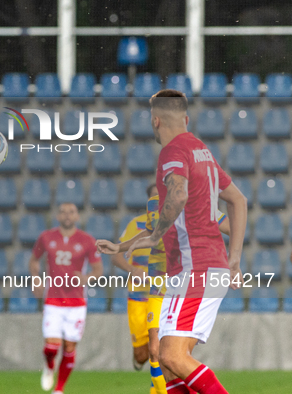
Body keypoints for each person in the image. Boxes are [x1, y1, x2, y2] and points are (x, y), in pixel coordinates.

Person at [121, 89, 247, 394]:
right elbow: (238, 200)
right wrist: (234, 259)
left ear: (155, 120)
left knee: (171, 356)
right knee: (166, 361)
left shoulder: (173, 152)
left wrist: (154, 234)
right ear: (186, 118)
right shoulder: (201, 150)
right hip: (197, 269)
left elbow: (178, 195)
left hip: (197, 269)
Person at [98, 187, 231, 394]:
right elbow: (153, 232)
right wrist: (120, 247)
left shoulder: (198, 199)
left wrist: (231, 258)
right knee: (165, 359)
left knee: (171, 355)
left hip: (188, 279)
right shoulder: (155, 204)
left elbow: (229, 226)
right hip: (160, 285)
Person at [29, 202, 103, 394]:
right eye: (63, 212)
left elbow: (98, 270)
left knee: (69, 347)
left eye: (71, 212)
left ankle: (59, 389)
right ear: (58, 216)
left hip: (77, 302)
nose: (67, 215)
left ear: (77, 216)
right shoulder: (46, 238)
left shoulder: (87, 240)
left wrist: (85, 278)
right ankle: (49, 365)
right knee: (51, 347)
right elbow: (34, 259)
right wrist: (36, 279)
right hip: (53, 299)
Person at [112, 184, 157, 378]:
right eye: (155, 197)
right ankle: (140, 358)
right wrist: (132, 269)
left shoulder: (177, 224)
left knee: (160, 350)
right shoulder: (136, 225)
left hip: (165, 296)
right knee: (143, 354)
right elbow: (116, 255)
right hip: (139, 297)